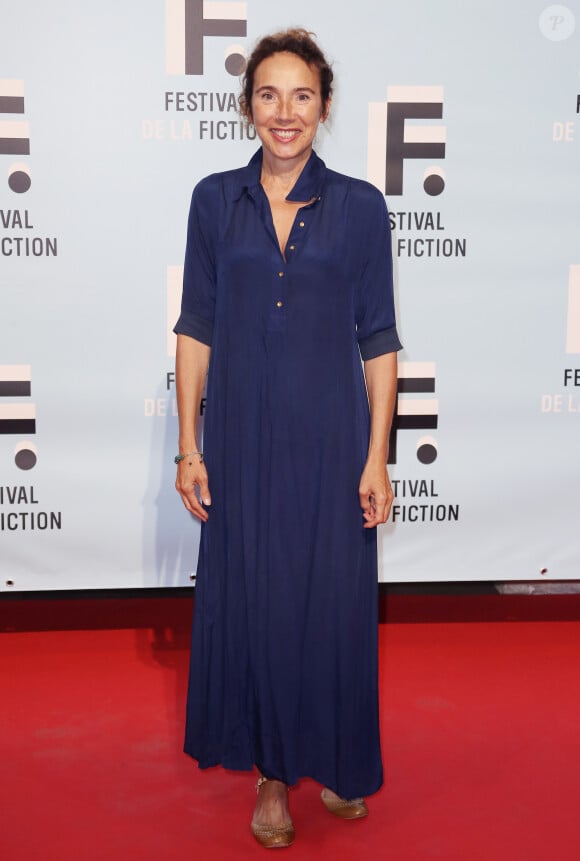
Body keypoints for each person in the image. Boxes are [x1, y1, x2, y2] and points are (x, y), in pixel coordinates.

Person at [173, 28, 401, 849]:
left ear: (325, 106)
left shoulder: (361, 207)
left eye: (301, 95)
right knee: (262, 606)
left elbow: (379, 338)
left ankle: (337, 757)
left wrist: (376, 456)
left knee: (334, 605)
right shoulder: (212, 200)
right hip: (240, 440)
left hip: (333, 439)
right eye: (268, 94)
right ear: (247, 106)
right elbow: (195, 328)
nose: (285, 112)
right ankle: (272, 776)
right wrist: (189, 445)